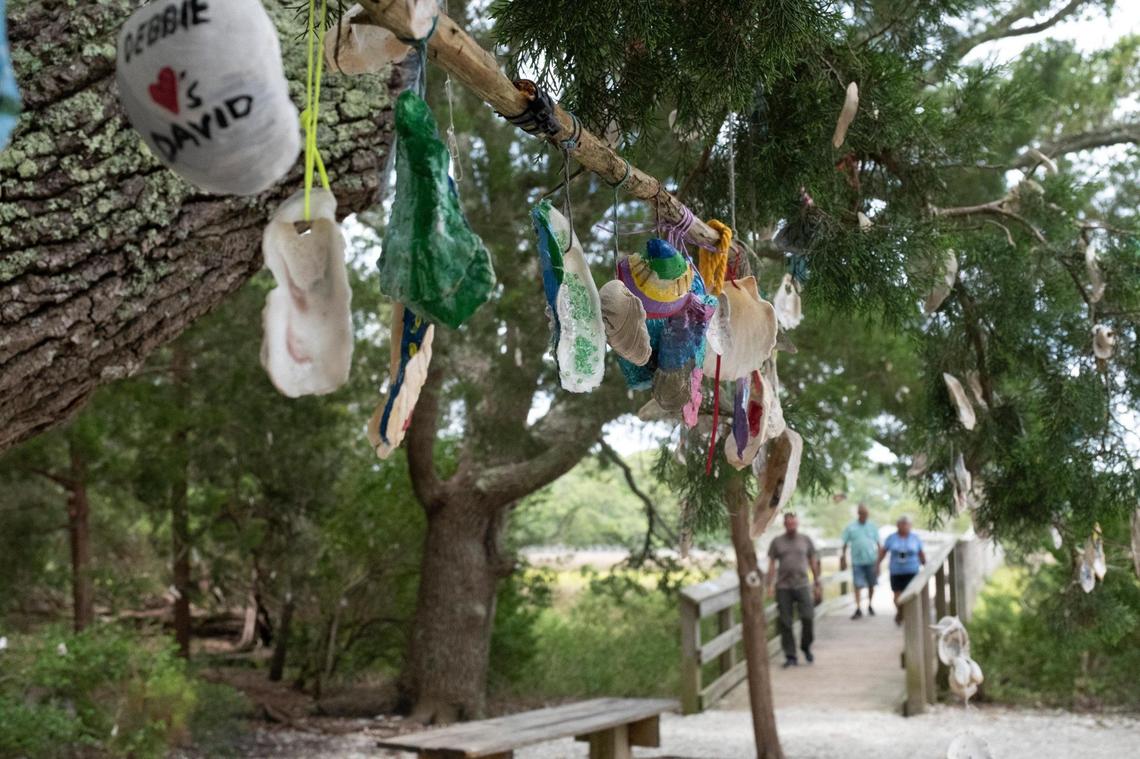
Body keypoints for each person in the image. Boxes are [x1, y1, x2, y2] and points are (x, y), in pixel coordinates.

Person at [766, 512, 821, 667]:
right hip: (783, 587)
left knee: (808, 617)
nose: (791, 525)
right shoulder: (777, 542)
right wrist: (769, 585)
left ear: (797, 523)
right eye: (789, 523)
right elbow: (771, 565)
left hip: (803, 584)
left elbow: (813, 561)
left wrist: (817, 582)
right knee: (785, 622)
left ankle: (806, 646)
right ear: (784, 524)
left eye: (794, 523)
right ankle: (791, 656)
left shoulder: (805, 540)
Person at [876, 515, 926, 625]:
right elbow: (883, 552)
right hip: (896, 571)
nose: (904, 527)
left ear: (910, 526)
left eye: (906, 524)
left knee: (910, 595)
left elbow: (921, 553)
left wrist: (925, 566)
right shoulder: (891, 538)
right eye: (901, 524)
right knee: (897, 595)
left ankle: (908, 616)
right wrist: (877, 564)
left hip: (912, 570)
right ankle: (900, 611)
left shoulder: (915, 538)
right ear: (897, 525)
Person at [840, 503, 880, 620]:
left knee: (871, 584)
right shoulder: (851, 527)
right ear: (858, 514)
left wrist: (878, 561)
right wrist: (843, 558)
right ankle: (858, 608)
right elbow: (845, 543)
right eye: (862, 513)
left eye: (866, 514)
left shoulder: (872, 526)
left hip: (871, 560)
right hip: (857, 561)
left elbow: (878, 544)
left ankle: (870, 604)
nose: (864, 516)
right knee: (857, 584)